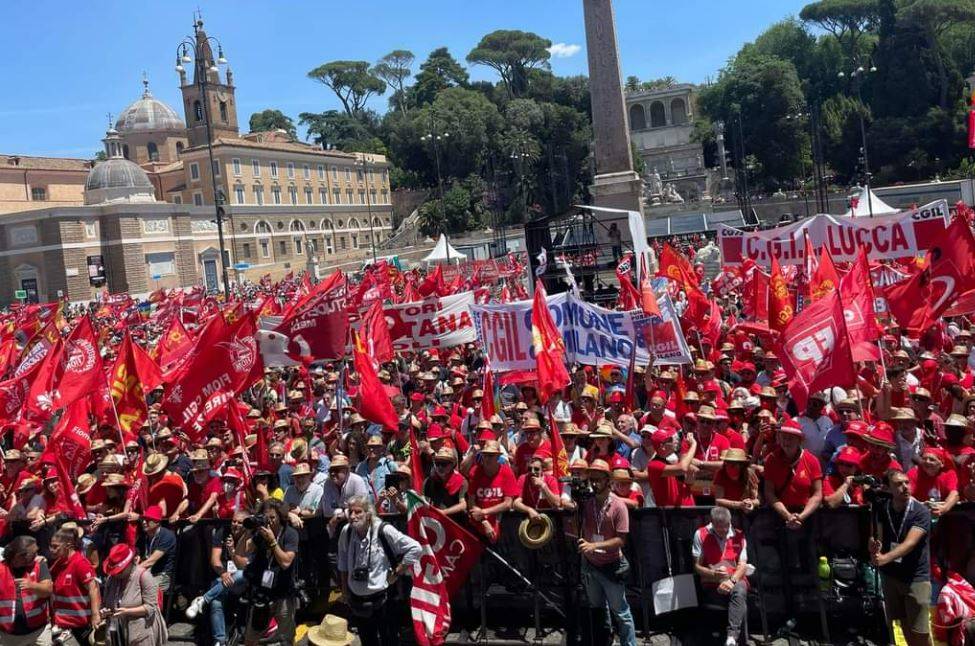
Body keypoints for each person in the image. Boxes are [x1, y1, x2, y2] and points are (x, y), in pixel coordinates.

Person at [337, 495, 421, 646]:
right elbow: (342, 562)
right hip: (358, 602)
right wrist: (344, 590)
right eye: (350, 512)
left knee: (389, 640)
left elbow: (415, 548)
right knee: (368, 641)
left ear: (368, 513)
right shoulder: (346, 531)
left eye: (358, 512)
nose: (353, 516)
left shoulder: (383, 530)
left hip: (383, 600)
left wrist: (397, 571)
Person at [870, 469, 932, 646]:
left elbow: (910, 543)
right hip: (892, 575)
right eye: (898, 484)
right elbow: (876, 536)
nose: (905, 487)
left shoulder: (920, 511)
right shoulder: (883, 508)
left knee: (920, 631)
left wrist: (884, 558)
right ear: (888, 488)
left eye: (906, 482)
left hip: (916, 578)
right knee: (901, 623)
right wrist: (873, 547)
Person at [578, 459, 636, 646]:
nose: (594, 483)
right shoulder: (588, 504)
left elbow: (621, 540)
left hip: (611, 566)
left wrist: (593, 546)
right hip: (591, 564)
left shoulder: (619, 506)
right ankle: (605, 639)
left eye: (598, 479)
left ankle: (629, 644)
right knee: (597, 609)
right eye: (592, 479)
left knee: (621, 612)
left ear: (608, 481)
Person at [239, 499, 299, 646]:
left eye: (272, 517)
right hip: (262, 595)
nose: (269, 521)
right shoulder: (260, 533)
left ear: (281, 517)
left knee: (286, 639)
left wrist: (272, 541)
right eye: (266, 517)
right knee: (250, 639)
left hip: (283, 593)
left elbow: (285, 563)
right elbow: (242, 552)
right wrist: (247, 531)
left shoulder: (290, 534)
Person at [185, 510, 250, 646]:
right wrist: (223, 574)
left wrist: (232, 551)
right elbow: (215, 560)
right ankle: (219, 641)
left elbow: (245, 566)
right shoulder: (223, 532)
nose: (235, 525)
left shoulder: (250, 535)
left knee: (240, 574)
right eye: (234, 521)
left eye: (239, 522)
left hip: (242, 580)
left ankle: (203, 599)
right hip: (223, 579)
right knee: (216, 602)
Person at [692, 506, 749, 646]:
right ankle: (735, 639)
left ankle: (731, 637)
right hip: (712, 581)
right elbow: (697, 567)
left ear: (730, 522)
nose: (723, 531)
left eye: (726, 527)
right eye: (719, 528)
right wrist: (713, 573)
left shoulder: (739, 535)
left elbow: (743, 565)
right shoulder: (701, 534)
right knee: (740, 601)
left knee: (739, 590)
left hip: (735, 579)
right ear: (712, 523)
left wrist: (731, 581)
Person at [100, 543, 167, 646]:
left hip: (140, 632)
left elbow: (150, 607)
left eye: (120, 571)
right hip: (116, 632)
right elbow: (105, 602)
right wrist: (104, 611)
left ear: (130, 564)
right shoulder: (111, 579)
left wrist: (127, 611)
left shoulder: (144, 576)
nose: (117, 574)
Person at [763, 420, 823, 530]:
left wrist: (801, 517)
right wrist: (787, 516)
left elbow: (817, 494)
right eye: (784, 437)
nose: (786, 441)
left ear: (799, 440)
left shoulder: (812, 460)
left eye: (790, 438)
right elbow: (769, 492)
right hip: (780, 515)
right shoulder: (771, 460)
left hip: (806, 516)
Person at [49, 526, 101, 646]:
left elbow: (93, 589)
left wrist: (95, 615)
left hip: (81, 627)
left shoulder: (80, 564)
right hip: (62, 626)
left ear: (68, 545)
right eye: (50, 546)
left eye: (55, 546)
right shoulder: (57, 564)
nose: (52, 550)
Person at [0, 536, 53, 646]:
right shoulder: (1, 569)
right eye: (33, 553)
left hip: (39, 632)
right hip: (9, 636)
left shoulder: (39, 565)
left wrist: (32, 586)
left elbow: (48, 590)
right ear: (19, 556)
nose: (36, 556)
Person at [138, 505, 177, 594]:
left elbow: (151, 561)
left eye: (148, 520)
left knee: (144, 592)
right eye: (143, 519)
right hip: (146, 573)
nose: (144, 522)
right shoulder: (144, 536)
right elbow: (136, 555)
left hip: (161, 575)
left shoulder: (166, 536)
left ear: (157, 522)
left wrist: (133, 573)